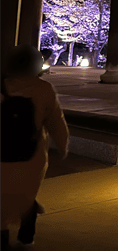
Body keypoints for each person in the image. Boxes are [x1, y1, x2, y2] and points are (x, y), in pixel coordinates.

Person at [1, 45, 69, 250]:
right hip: (32, 156)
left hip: (2, 156)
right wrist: (62, 145)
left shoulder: (2, 87)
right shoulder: (44, 89)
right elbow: (56, 121)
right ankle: (26, 238)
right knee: (27, 196)